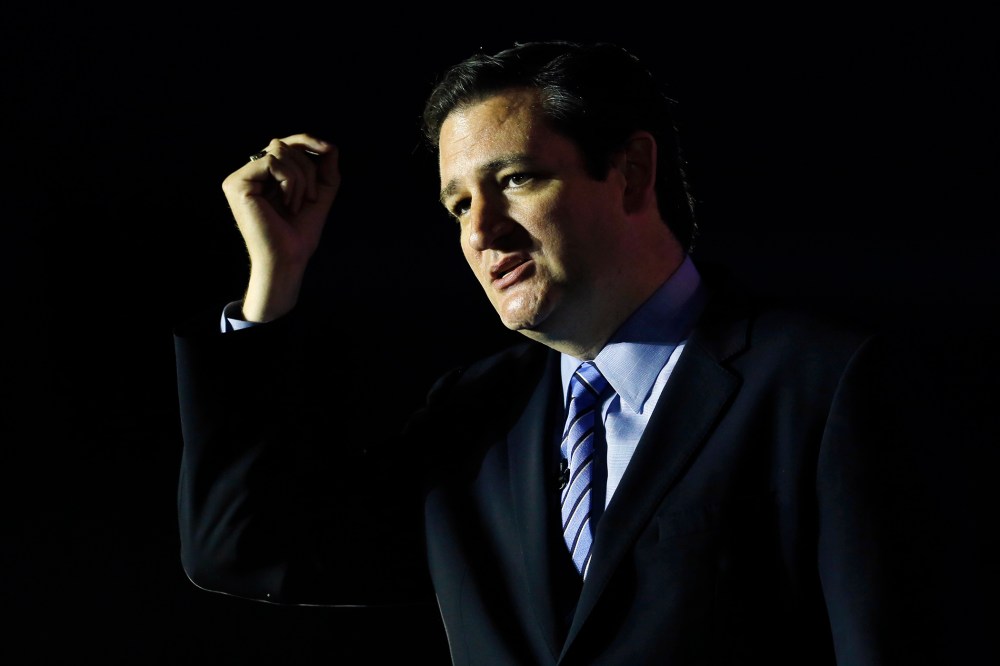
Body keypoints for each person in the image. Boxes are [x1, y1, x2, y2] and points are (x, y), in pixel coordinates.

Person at [174, 40, 985, 664]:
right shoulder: (473, 422)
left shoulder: (828, 385)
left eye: (517, 180)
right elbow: (244, 546)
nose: (481, 232)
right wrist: (271, 283)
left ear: (631, 173)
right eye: (459, 204)